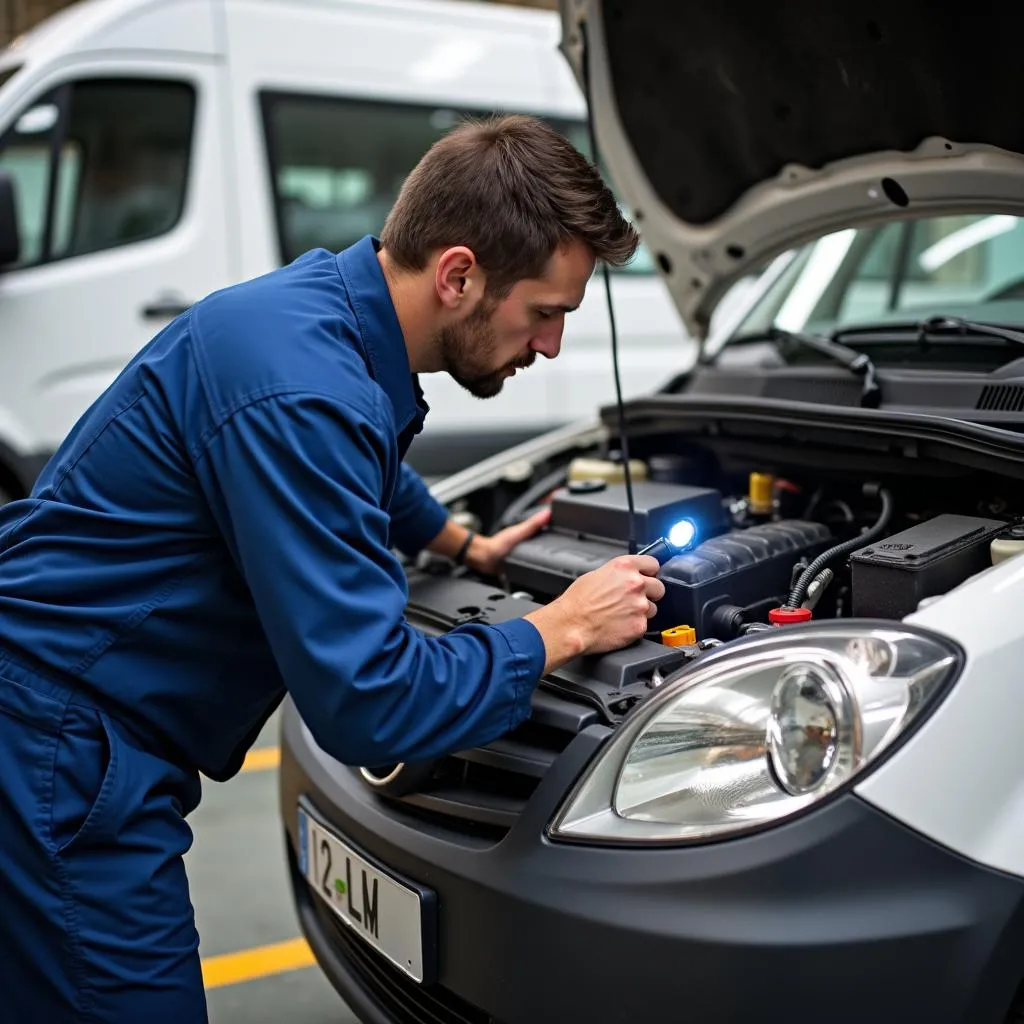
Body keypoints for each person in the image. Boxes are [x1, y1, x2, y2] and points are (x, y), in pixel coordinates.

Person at [0, 114, 665, 1021]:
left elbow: (362, 465)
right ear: (459, 274)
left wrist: (458, 545)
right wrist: (560, 629)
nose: (549, 346)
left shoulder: (315, 315)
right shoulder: (305, 389)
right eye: (544, 312)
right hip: (58, 752)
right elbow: (367, 701)